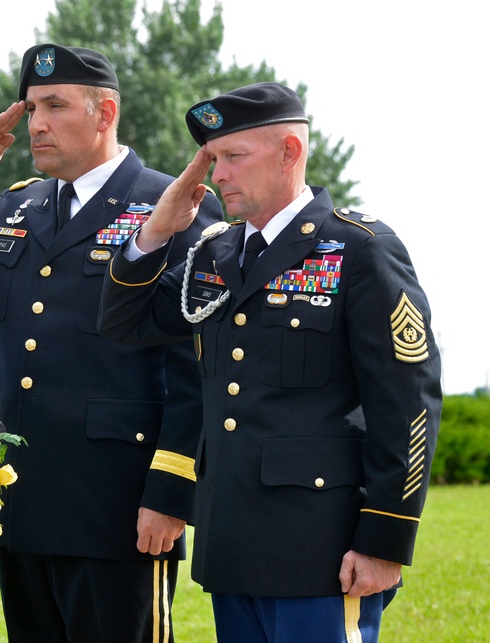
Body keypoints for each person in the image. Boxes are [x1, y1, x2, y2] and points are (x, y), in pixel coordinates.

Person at [0, 43, 223, 642]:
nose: (36, 123)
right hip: (23, 496)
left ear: (105, 113)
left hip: (120, 504)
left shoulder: (173, 205)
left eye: (55, 106)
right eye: (32, 106)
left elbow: (196, 364)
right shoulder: (17, 206)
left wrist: (171, 491)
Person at [98, 82, 441, 642]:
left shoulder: (359, 249)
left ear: (289, 152)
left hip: (320, 548)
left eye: (234, 157)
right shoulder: (214, 251)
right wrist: (158, 228)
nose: (218, 176)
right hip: (232, 544)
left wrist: (385, 538)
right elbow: (124, 323)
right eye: (212, 160)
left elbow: (408, 402)